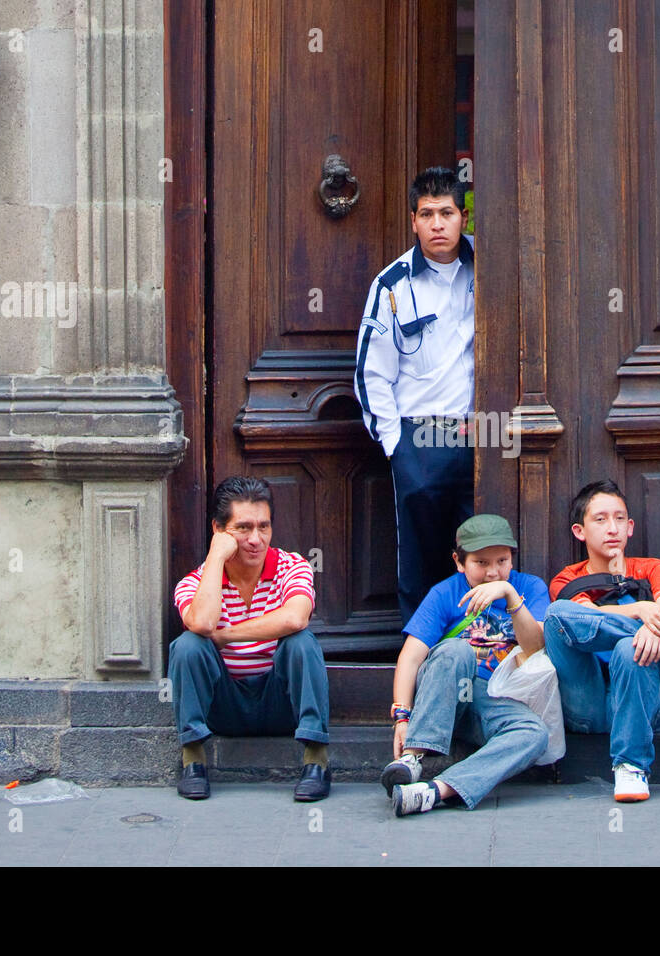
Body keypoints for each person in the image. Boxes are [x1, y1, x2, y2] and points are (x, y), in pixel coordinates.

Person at [544, 480, 660, 802]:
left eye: (619, 519)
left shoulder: (653, 568)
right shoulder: (566, 579)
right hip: (587, 705)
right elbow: (583, 624)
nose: (612, 528)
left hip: (645, 705)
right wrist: (642, 610)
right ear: (579, 530)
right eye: (600, 519)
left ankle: (630, 767)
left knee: (629, 648)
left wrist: (656, 626)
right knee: (558, 613)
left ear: (630, 527)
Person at [354, 166, 476, 627]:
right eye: (427, 214)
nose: (438, 224)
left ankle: (484, 653)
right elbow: (371, 374)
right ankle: (423, 653)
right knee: (421, 557)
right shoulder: (392, 285)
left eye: (447, 212)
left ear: (463, 216)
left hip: (484, 433)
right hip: (420, 438)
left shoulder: (491, 271)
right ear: (413, 220)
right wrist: (395, 444)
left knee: (483, 549)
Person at [168, 476, 331, 802]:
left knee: (301, 641)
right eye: (243, 528)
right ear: (219, 530)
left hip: (280, 701)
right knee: (187, 645)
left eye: (264, 527)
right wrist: (216, 558)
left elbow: (295, 617)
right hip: (223, 706)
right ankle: (193, 762)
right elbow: (200, 622)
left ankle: (317, 762)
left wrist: (227, 635)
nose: (256, 539)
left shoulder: (292, 566)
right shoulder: (194, 583)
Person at [380, 515, 551, 816]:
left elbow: (535, 647)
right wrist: (402, 716)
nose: (493, 572)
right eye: (481, 563)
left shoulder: (530, 587)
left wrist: (510, 596)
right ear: (459, 562)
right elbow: (411, 656)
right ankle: (412, 759)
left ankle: (434, 791)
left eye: (502, 560)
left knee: (534, 733)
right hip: (448, 693)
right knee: (456, 650)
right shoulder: (445, 592)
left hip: (495, 700)